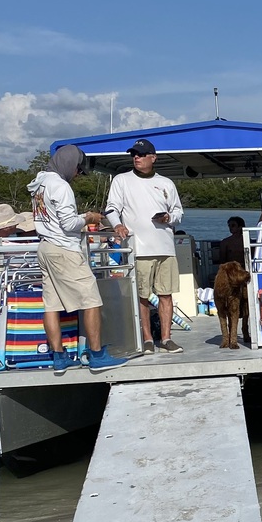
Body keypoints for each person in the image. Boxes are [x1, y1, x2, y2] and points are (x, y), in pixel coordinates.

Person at [27, 145, 128, 372]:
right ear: (70, 163)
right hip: (64, 250)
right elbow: (69, 223)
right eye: (78, 170)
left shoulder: (39, 183)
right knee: (92, 299)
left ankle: (59, 357)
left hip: (45, 248)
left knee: (51, 305)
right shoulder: (61, 186)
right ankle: (97, 354)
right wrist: (89, 217)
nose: (77, 175)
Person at [105, 138, 185, 355]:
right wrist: (118, 225)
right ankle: (147, 339)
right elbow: (111, 208)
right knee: (141, 295)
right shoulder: (121, 180)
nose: (136, 158)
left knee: (166, 294)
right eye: (134, 155)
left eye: (140, 154)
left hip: (165, 248)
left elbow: (179, 213)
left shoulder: (167, 183)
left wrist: (168, 217)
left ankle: (166, 338)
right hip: (139, 249)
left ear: (153, 157)